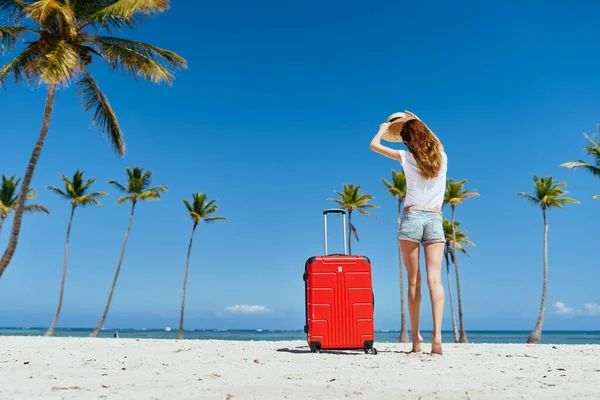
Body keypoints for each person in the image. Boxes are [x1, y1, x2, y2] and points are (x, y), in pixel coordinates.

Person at [369, 110, 447, 355]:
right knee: (435, 280)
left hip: (412, 217)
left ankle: (416, 341)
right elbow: (437, 143)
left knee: (414, 282)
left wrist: (383, 129)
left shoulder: (405, 156)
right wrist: (422, 121)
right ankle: (437, 336)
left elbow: (373, 146)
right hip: (435, 218)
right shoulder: (442, 158)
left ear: (407, 139)